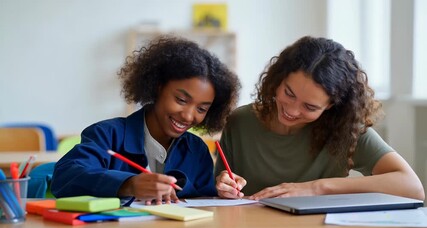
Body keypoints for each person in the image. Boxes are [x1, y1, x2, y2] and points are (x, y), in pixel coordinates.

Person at [215, 36, 425, 201]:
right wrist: (223, 187)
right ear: (278, 80)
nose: (292, 110)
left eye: (310, 106)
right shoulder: (240, 122)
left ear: (331, 106)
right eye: (289, 93)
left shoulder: (346, 130)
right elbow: (219, 192)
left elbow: (412, 187)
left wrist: (317, 187)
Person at [51, 36, 241, 205]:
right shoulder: (107, 134)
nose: (188, 116)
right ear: (158, 88)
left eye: (201, 109)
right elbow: (64, 178)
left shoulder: (197, 150)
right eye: (181, 100)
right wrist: (128, 184)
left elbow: (204, 201)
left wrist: (222, 189)